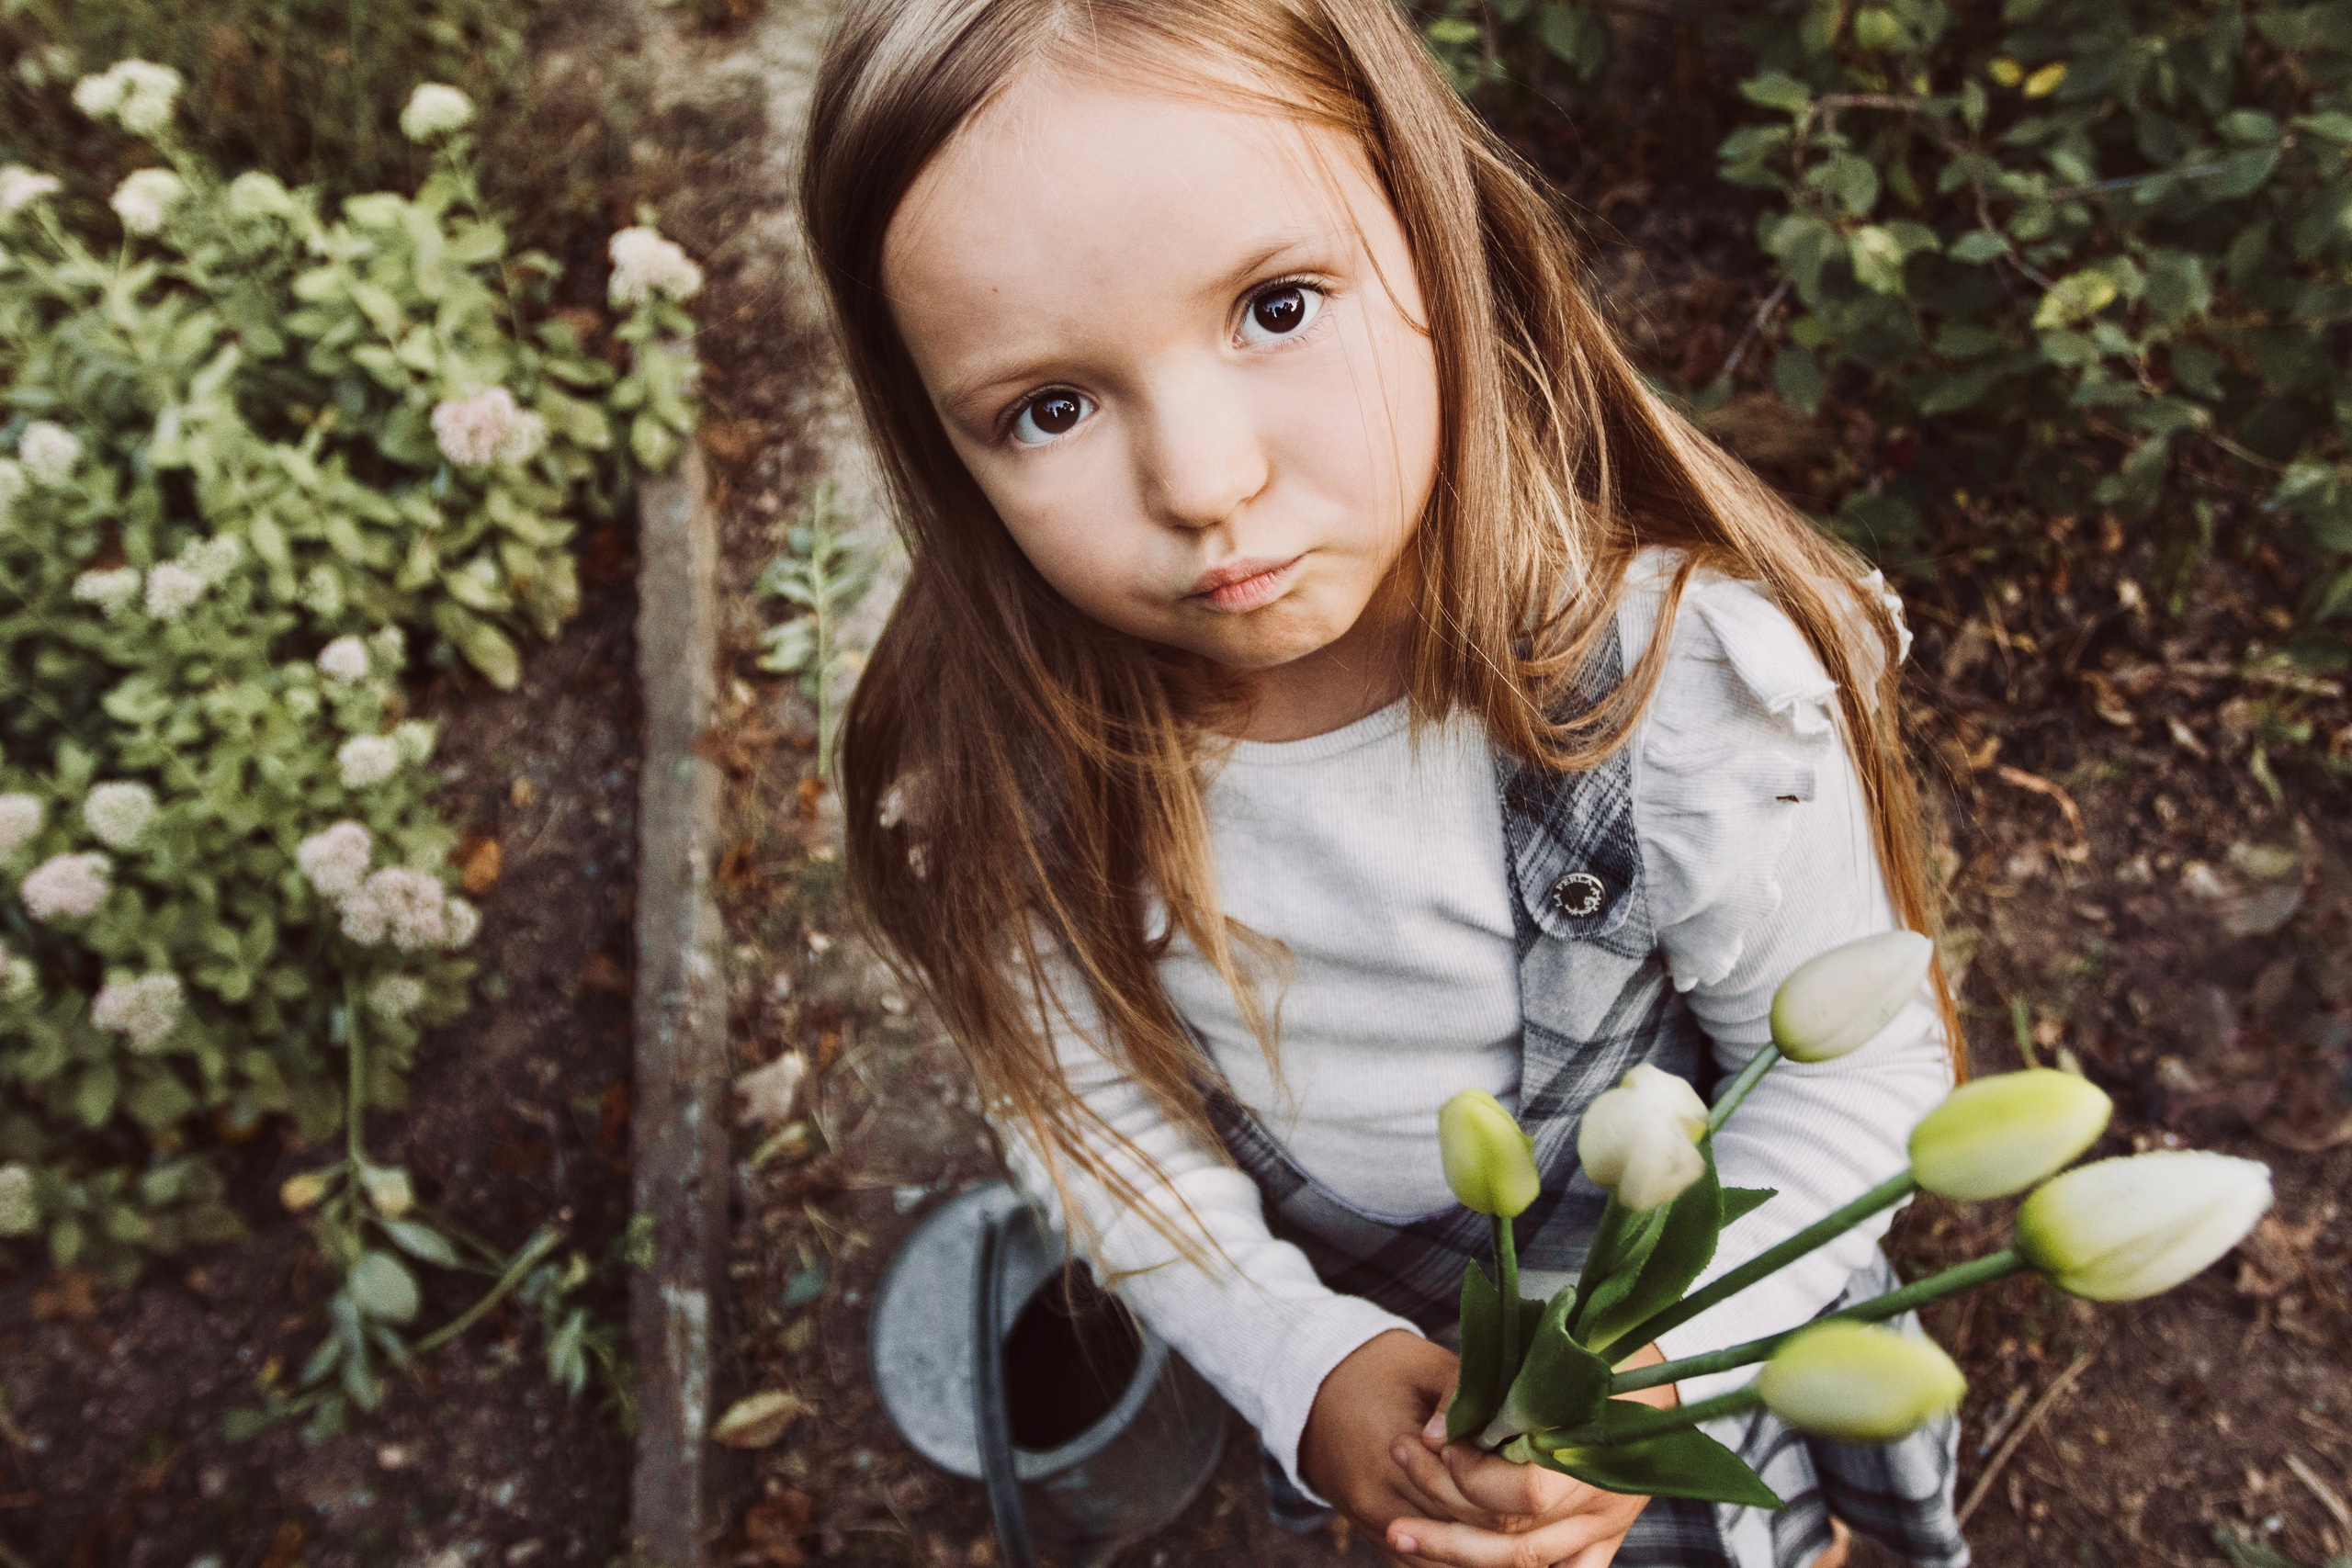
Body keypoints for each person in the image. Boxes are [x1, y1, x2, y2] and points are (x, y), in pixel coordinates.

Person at [800, 3, 1969, 1565]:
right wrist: (1306, 1364)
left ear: (1437, 236)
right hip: (1359, 1333)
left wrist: (1664, 1371)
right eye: (1050, 409)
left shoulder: (1683, 699)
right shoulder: (1011, 762)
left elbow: (1851, 1071)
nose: (1205, 484)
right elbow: (1089, 1114)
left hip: (1675, 1327)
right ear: (943, 448)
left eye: (1278, 305)